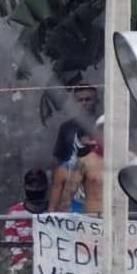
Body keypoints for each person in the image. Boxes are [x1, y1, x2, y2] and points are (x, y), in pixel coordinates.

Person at [49, 83, 98, 212]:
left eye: (88, 99)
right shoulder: (67, 128)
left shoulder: (104, 125)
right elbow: (58, 160)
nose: (84, 103)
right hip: (71, 190)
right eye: (80, 100)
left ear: (96, 101)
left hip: (97, 186)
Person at [4, 168, 49, 272]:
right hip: (22, 265)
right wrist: (25, 262)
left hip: (49, 262)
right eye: (31, 186)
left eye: (38, 186)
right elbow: (12, 242)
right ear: (25, 187)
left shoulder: (54, 213)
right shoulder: (14, 212)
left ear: (46, 187)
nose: (35, 189)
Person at [60, 117, 105, 215]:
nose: (107, 134)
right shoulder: (84, 163)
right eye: (103, 130)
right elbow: (66, 198)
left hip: (126, 224)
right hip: (92, 223)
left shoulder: (130, 160)